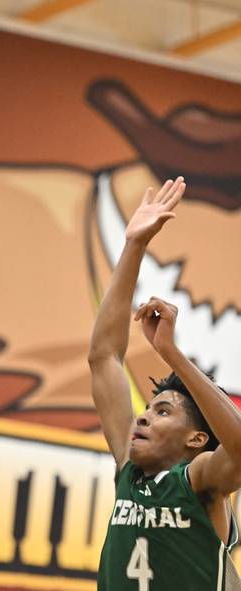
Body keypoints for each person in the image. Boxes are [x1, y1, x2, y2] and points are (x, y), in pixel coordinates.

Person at [88, 176, 240, 590]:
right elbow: (104, 357)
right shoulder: (128, 470)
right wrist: (133, 246)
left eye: (163, 411)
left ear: (195, 440)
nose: (143, 416)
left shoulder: (202, 481)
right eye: (151, 408)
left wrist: (172, 353)